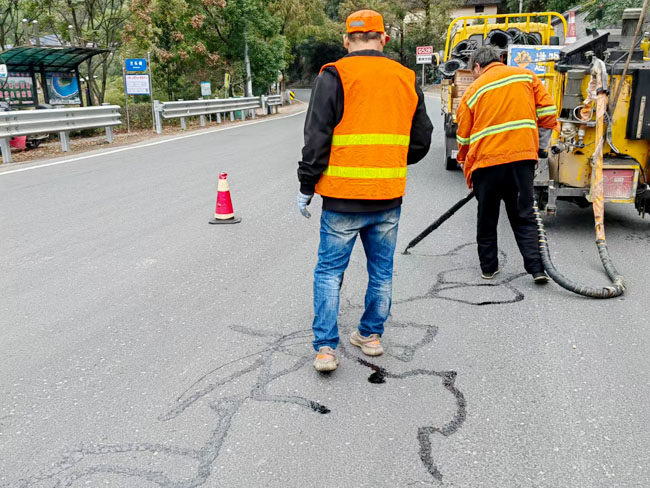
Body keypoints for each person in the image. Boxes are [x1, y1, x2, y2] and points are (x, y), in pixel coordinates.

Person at [297, 9, 433, 372]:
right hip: (387, 197)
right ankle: (370, 336)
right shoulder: (405, 77)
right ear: (384, 39)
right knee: (382, 272)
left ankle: (326, 349)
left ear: (346, 40)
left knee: (328, 272)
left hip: (342, 198)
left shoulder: (333, 75)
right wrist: (388, 162)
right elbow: (421, 139)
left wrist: (306, 186)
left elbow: (316, 139)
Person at [456, 46, 558, 284]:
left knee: (487, 217)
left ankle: (489, 268)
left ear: (478, 67)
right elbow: (549, 112)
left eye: (473, 72)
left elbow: (463, 138)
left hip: (486, 165)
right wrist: (538, 147)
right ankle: (537, 269)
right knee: (524, 214)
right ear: (499, 60)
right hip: (521, 161)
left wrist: (466, 166)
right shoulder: (525, 76)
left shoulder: (472, 91)